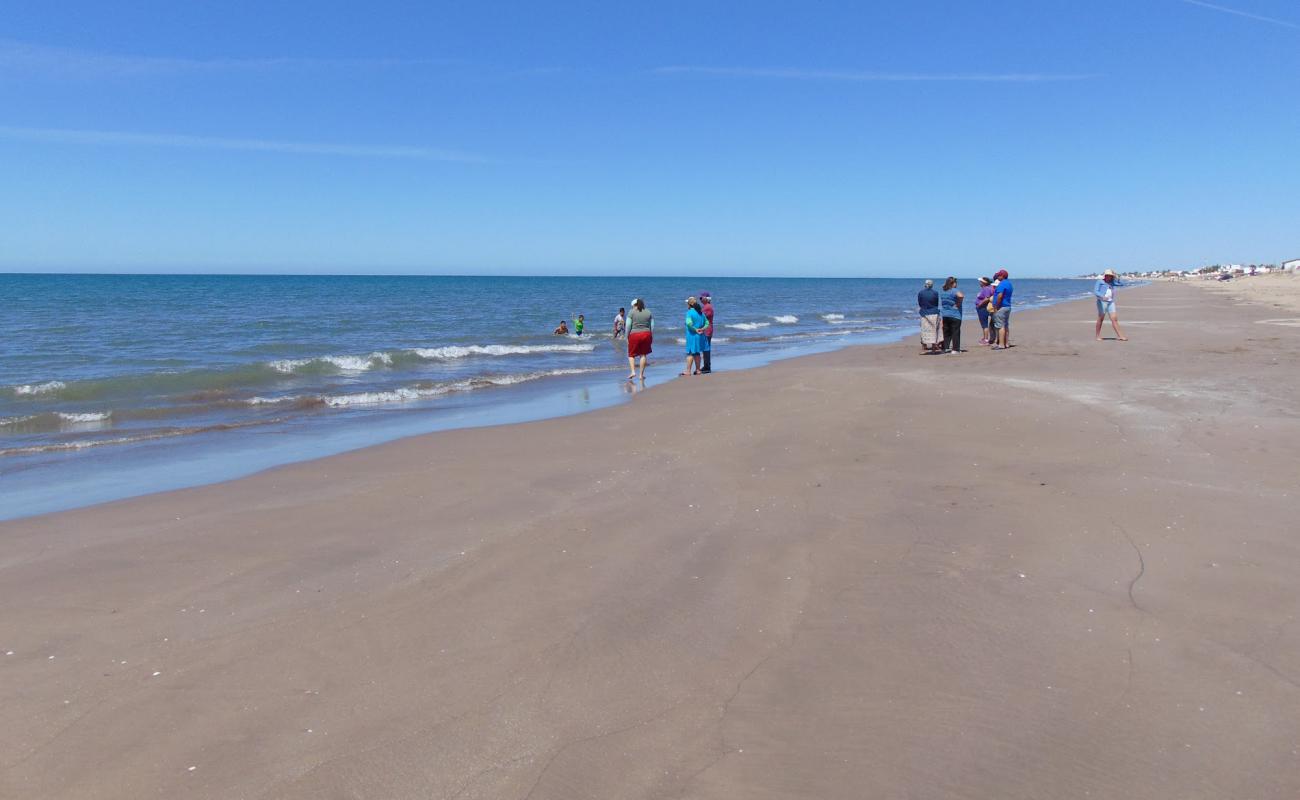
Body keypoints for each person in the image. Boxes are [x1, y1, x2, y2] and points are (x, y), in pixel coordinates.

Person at [1094, 269, 1128, 341]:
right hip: (1102, 302)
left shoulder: (1112, 282)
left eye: (1110, 276)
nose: (1109, 277)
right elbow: (1096, 291)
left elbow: (1121, 284)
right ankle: (1097, 336)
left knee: (1114, 319)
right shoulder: (1100, 281)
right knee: (1101, 319)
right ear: (1105, 276)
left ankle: (1120, 336)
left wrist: (1117, 278)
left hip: (1110, 302)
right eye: (1108, 276)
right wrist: (1102, 296)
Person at [626, 298, 653, 380]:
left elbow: (628, 325)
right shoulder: (648, 312)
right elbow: (652, 325)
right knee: (643, 354)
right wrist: (651, 334)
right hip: (646, 334)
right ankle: (641, 375)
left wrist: (627, 336)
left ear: (635, 305)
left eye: (633, 306)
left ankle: (633, 372)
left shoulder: (631, 312)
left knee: (631, 355)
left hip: (634, 335)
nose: (632, 307)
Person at [683, 296, 708, 375]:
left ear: (689, 304)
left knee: (690, 353)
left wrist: (695, 329)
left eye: (687, 303)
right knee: (697, 353)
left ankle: (688, 371)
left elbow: (689, 323)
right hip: (700, 335)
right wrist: (702, 329)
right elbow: (707, 323)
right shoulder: (701, 312)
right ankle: (698, 370)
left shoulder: (689, 312)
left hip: (692, 335)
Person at [939, 276, 964, 354]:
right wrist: (958, 304)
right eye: (955, 283)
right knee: (955, 331)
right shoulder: (954, 290)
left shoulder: (943, 291)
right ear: (953, 283)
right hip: (955, 314)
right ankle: (955, 349)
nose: (956, 284)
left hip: (945, 314)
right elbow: (961, 295)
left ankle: (945, 348)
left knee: (946, 332)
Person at [990, 269, 1013, 350]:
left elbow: (1000, 296)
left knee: (1000, 326)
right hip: (1007, 306)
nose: (997, 276)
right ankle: (1006, 343)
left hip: (1002, 307)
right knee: (1005, 325)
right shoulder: (1009, 284)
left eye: (999, 275)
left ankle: (1001, 344)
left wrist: (996, 306)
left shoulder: (1002, 284)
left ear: (1002, 276)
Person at [917, 279, 941, 354]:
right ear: (932, 285)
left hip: (924, 313)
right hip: (934, 312)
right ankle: (933, 348)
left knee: (924, 330)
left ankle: (924, 347)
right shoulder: (935, 293)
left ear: (925, 285)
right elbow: (936, 303)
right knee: (934, 330)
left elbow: (920, 303)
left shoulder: (921, 292)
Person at [974, 277, 994, 345]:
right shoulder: (988, 288)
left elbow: (987, 298)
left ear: (984, 283)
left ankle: (986, 339)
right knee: (984, 324)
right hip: (983, 308)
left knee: (984, 324)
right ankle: (985, 338)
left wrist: (980, 304)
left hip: (983, 308)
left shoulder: (986, 289)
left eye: (980, 282)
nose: (979, 283)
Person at [698, 292, 714, 373]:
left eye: (701, 298)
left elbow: (701, 317)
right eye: (700, 298)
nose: (700, 299)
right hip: (706, 330)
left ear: (706, 299)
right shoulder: (705, 307)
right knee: (705, 348)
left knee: (706, 348)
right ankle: (706, 365)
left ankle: (707, 367)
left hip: (707, 330)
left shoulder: (707, 307)